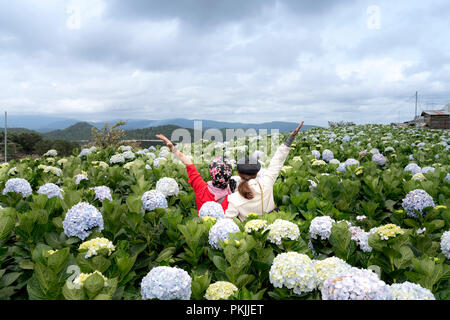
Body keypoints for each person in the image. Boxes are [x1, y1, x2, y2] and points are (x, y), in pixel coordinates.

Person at [224, 121, 304, 221]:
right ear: (257, 172)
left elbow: (227, 222)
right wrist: (290, 138)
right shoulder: (267, 182)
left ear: (238, 173)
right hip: (271, 226)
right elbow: (277, 162)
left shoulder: (234, 199)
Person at [155, 134, 235, 213]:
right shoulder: (233, 196)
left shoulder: (201, 188)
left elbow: (187, 162)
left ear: (211, 173)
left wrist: (172, 147)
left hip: (201, 225)